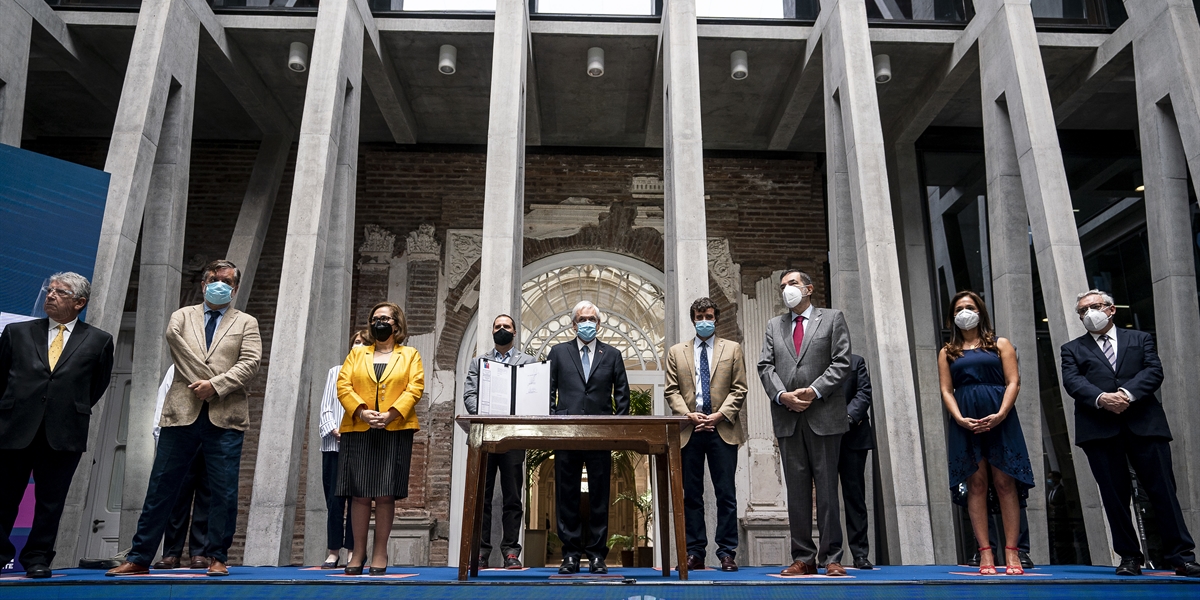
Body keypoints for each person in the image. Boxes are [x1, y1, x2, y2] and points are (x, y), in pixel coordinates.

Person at [108, 260, 262, 577]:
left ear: (235, 288)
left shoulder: (246, 322)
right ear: (205, 284)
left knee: (224, 491)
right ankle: (139, 557)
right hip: (181, 414)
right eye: (215, 279)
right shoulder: (182, 316)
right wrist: (207, 382)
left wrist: (215, 387)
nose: (221, 284)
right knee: (162, 488)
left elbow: (251, 363)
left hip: (225, 418)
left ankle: (217, 556)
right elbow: (178, 350)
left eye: (228, 281)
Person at [1060, 289, 1200, 577]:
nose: (1089, 314)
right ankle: (1129, 558)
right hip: (1099, 429)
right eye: (1083, 311)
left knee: (1162, 491)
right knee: (1114, 496)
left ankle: (1181, 556)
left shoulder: (1140, 339)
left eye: (1094, 307)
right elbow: (1073, 382)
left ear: (1111, 310)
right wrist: (1102, 398)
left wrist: (1125, 394)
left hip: (1145, 425)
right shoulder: (1071, 348)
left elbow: (1154, 370)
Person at [0, 272, 115, 579]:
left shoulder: (99, 340)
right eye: (49, 290)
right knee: (4, 496)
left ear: (79, 303)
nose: (50, 295)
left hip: (64, 431)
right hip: (14, 428)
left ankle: (38, 557)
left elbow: (96, 387)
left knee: (51, 502)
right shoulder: (16, 332)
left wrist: (63, 409)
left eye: (60, 292)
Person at [757, 269, 851, 576]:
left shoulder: (833, 318)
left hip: (823, 416)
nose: (787, 290)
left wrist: (814, 390)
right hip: (788, 418)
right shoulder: (774, 325)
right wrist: (782, 395)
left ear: (808, 288)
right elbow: (765, 366)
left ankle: (832, 557)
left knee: (826, 491)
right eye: (783, 286)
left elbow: (842, 362)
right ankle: (803, 558)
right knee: (796, 493)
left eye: (792, 284)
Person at [938, 290, 1033, 576]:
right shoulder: (947, 351)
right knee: (976, 486)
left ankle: (1013, 552)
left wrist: (1001, 414)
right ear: (952, 317)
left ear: (980, 311)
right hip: (965, 421)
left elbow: (1013, 381)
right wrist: (959, 418)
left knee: (1006, 485)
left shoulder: (1000, 344)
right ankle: (985, 553)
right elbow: (946, 390)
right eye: (958, 310)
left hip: (1000, 418)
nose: (964, 313)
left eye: (969, 307)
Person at [336, 302, 424, 576]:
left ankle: (380, 552)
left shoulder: (410, 354)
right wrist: (361, 413)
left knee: (385, 495)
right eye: (375, 318)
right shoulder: (358, 354)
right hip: (359, 428)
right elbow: (343, 384)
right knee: (359, 494)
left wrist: (391, 414)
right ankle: (358, 553)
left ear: (397, 325)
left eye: (385, 318)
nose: (379, 323)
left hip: (395, 429)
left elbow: (415, 386)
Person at [664, 297, 747, 573]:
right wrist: (689, 415)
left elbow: (739, 389)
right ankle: (694, 553)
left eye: (708, 316)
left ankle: (726, 553)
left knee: (726, 494)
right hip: (690, 431)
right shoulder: (677, 352)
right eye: (699, 317)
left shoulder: (732, 349)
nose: (704, 321)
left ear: (716, 318)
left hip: (722, 429)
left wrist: (719, 415)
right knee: (691, 496)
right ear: (692, 319)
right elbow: (671, 391)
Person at [548, 300, 629, 575]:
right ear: (573, 324)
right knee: (566, 495)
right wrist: (552, 423)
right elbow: (549, 391)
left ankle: (597, 556)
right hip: (566, 435)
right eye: (582, 319)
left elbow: (623, 396)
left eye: (591, 319)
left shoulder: (612, 354)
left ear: (599, 324)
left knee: (599, 497)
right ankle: (569, 555)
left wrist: (616, 430)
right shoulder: (558, 352)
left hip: (600, 436)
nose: (587, 324)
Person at [463, 314, 537, 569]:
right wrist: (484, 418)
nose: (502, 330)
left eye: (507, 326)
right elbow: (470, 395)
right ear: (492, 331)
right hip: (484, 438)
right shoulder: (479, 362)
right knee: (481, 497)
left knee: (512, 498)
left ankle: (511, 552)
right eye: (498, 326)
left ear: (514, 332)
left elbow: (531, 395)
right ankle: (481, 551)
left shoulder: (528, 362)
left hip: (514, 439)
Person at [148, 365, 210, 571]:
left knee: (207, 497)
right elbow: (163, 401)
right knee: (176, 498)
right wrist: (160, 437)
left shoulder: (223, 365)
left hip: (212, 439)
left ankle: (199, 553)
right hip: (179, 439)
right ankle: (171, 553)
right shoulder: (176, 368)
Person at [317, 328, 369, 569]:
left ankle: (353, 551)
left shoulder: (372, 377)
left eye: (364, 343)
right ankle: (333, 551)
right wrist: (333, 429)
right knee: (334, 501)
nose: (358, 346)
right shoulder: (336, 372)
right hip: (333, 445)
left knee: (357, 500)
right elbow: (326, 405)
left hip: (360, 446)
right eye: (356, 342)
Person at [838, 353, 874, 570]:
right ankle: (831, 555)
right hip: (822, 438)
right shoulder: (815, 361)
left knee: (855, 498)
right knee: (826, 500)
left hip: (853, 436)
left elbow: (863, 393)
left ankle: (860, 554)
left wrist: (847, 418)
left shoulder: (856, 361)